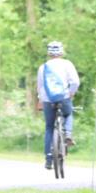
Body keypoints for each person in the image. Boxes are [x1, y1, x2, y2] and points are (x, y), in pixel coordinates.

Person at [36, 41, 80, 170]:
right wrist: (71, 93)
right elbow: (75, 82)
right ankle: (68, 134)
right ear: (61, 52)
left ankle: (49, 159)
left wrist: (40, 100)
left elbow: (40, 86)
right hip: (63, 97)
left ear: (49, 53)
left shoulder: (43, 67)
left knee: (49, 127)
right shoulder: (67, 64)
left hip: (47, 100)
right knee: (68, 113)